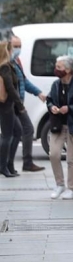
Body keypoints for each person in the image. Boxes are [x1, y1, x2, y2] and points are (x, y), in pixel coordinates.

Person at [46, 55, 73, 199]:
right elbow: (49, 99)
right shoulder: (56, 84)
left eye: (59, 67)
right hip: (58, 125)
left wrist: (69, 108)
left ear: (68, 69)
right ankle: (59, 185)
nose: (56, 69)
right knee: (54, 154)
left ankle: (72, 189)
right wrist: (52, 107)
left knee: (71, 158)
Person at [9, 35, 47, 172]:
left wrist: (38, 93)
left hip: (18, 104)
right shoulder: (5, 63)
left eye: (19, 46)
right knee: (19, 131)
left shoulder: (16, 61)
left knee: (17, 132)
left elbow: (23, 82)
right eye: (15, 46)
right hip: (11, 105)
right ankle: (11, 164)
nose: (18, 49)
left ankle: (20, 163)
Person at [0, 41, 24, 177]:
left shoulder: (8, 66)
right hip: (6, 106)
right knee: (7, 135)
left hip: (9, 106)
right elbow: (10, 87)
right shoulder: (5, 67)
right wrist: (20, 105)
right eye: (12, 49)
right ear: (6, 51)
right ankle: (3, 166)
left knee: (17, 131)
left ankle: (8, 164)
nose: (14, 51)